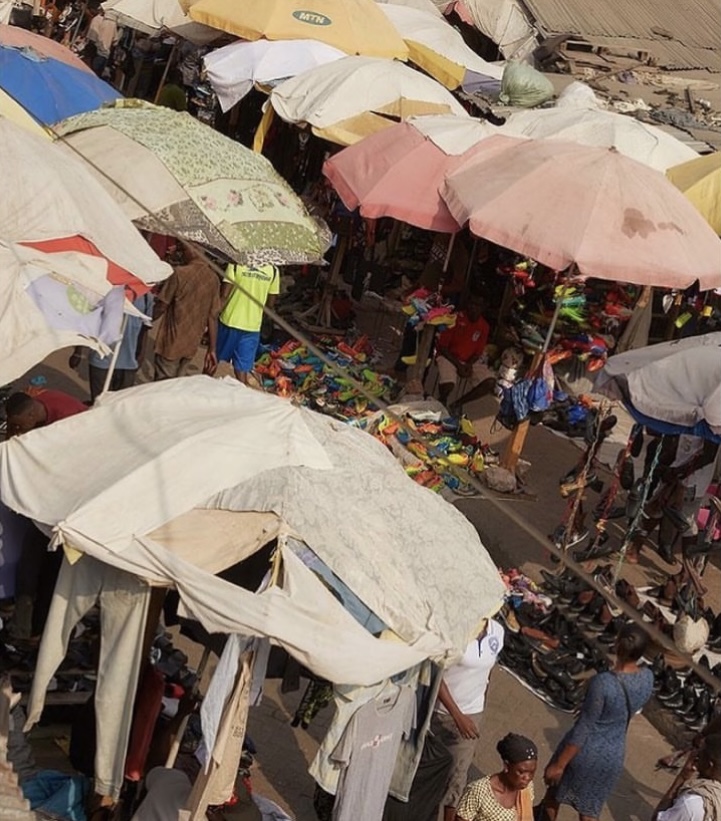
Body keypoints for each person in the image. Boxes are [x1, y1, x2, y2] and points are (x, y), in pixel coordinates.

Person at [541, 624, 654, 821]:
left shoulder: (603, 683)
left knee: (553, 795)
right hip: (613, 756)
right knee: (589, 811)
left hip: (585, 752)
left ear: (617, 644)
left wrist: (559, 765)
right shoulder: (647, 678)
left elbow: (584, 727)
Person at [432, 618, 505, 821]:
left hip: (471, 713)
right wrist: (457, 715)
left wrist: (477, 711)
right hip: (437, 712)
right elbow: (435, 675)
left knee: (457, 774)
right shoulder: (456, 629)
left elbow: (486, 674)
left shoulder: (497, 632)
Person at [152, 241, 221, 380]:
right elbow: (213, 317)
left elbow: (161, 306)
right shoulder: (214, 279)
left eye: (184, 250)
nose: (182, 254)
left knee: (161, 388)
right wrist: (212, 349)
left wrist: (146, 321)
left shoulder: (179, 274)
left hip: (171, 342)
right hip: (191, 345)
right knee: (178, 387)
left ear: (193, 251)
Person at [71, 293, 154, 402]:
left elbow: (144, 328)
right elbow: (88, 322)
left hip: (128, 363)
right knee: (100, 403)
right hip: (101, 360)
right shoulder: (104, 291)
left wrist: (141, 354)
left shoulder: (146, 297)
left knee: (120, 405)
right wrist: (78, 351)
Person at [208, 262, 280, 384]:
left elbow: (224, 295)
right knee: (242, 371)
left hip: (229, 322)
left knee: (212, 361)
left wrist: (212, 316)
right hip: (252, 328)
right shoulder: (273, 271)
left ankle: (202, 387)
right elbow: (270, 305)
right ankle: (243, 396)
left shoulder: (236, 264)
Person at [456, 733, 537, 821]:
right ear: (506, 766)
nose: (527, 778)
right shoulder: (479, 791)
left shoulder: (527, 788)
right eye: (521, 772)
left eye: (532, 772)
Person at [436, 292, 495, 412]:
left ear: (483, 308)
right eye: (472, 304)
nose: (474, 308)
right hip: (449, 357)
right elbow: (442, 347)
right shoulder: (456, 318)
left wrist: (468, 364)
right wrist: (459, 365)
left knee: (490, 382)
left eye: (478, 305)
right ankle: (442, 400)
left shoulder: (484, 326)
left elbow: (478, 352)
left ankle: (457, 404)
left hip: (468, 361)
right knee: (449, 383)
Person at [653, 733, 721, 820]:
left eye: (700, 753)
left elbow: (656, 819)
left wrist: (682, 778)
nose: (696, 755)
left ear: (709, 765)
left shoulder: (691, 804)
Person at [5, 389, 87, 437]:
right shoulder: (34, 401)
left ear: (31, 416)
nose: (18, 428)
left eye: (19, 425)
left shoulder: (65, 420)